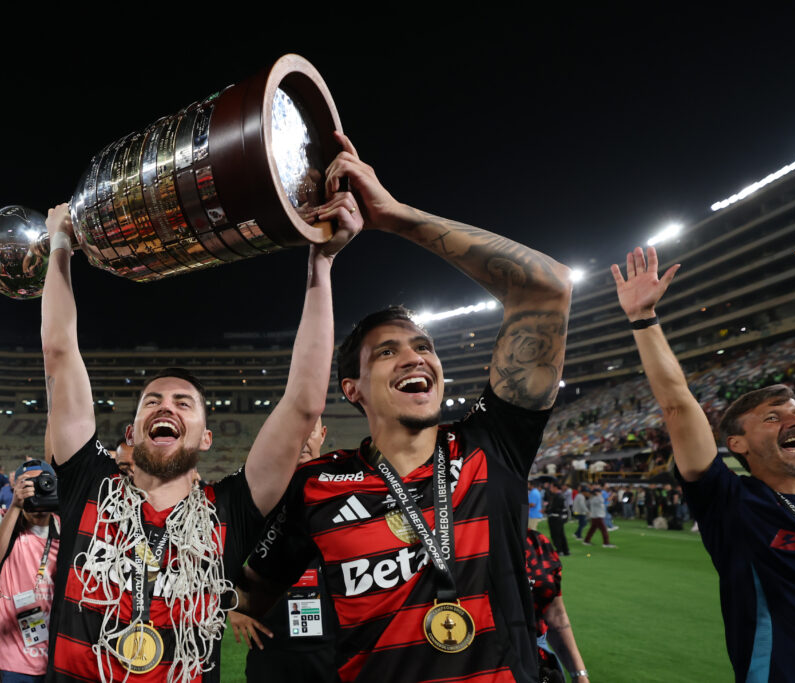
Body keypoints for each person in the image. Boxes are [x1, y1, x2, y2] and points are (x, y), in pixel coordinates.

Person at [244, 132, 573, 681]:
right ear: (353, 389)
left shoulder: (492, 447)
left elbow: (547, 289)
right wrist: (234, 603)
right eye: (388, 352)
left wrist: (393, 215)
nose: (414, 358)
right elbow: (254, 588)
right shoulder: (316, 486)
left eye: (423, 346)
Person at [42, 166, 361, 683]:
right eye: (153, 402)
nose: (166, 407)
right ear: (132, 430)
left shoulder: (230, 509)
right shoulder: (89, 484)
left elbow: (302, 405)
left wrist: (320, 264)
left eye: (184, 403)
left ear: (206, 437)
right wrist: (60, 247)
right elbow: (59, 355)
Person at [612, 245, 795, 680]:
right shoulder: (729, 502)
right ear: (738, 444)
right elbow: (677, 404)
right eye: (773, 417)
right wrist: (643, 319)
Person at [228, 418, 337, 683]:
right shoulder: (255, 499)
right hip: (272, 647)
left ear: (322, 434)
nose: (302, 437)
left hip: (332, 648)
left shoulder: (345, 492)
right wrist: (230, 608)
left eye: (310, 428)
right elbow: (217, 558)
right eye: (295, 427)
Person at [0, 461, 60, 683]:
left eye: (43, 482)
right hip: (8, 657)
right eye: (29, 484)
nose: (36, 489)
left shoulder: (64, 526)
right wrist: (16, 506)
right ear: (15, 487)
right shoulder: (3, 517)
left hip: (54, 657)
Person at [525, 530, 589, 683]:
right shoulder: (469, 541)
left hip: (537, 659)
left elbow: (555, 613)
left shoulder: (537, 542)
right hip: (486, 660)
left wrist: (579, 673)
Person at [544, 481, 571, 556]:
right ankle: (566, 550)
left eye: (551, 487)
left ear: (555, 487)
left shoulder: (557, 496)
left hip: (555, 518)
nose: (550, 488)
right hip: (560, 518)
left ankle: (559, 550)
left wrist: (546, 510)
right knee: (561, 534)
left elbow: (554, 507)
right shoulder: (561, 495)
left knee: (555, 535)